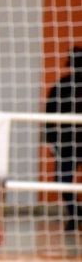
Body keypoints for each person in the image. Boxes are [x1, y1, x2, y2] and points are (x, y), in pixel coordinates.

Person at [45, 46, 82, 232]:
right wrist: (51, 141)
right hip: (68, 143)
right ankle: (76, 214)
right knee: (62, 179)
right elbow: (49, 117)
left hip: (71, 141)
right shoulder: (61, 87)